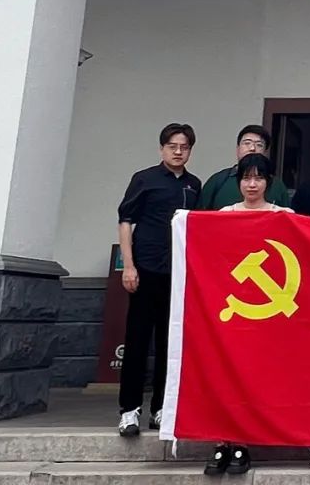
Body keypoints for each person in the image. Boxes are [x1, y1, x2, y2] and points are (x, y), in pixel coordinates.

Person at [206, 154, 292, 477]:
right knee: (226, 375)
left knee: (255, 377)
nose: (252, 184)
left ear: (269, 182)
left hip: (270, 317)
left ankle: (244, 441)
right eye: (246, 178)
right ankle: (222, 440)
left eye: (258, 178)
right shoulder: (224, 216)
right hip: (232, 313)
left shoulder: (284, 217)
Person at [115, 123, 201, 437]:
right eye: (172, 146)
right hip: (145, 269)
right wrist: (129, 266)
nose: (178, 152)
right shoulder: (144, 179)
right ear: (162, 148)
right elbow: (126, 221)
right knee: (137, 341)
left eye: (184, 147)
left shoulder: (194, 185)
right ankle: (129, 410)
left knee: (170, 342)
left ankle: (162, 408)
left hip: (176, 274)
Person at [198, 125, 289, 210]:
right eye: (247, 143)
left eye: (259, 145)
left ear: (265, 152)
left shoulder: (277, 186)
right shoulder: (218, 181)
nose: (252, 148)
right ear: (237, 148)